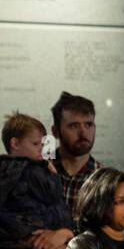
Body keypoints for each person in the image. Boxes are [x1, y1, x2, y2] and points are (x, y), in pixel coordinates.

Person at [0, 112, 73, 249]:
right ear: (15, 143)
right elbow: (56, 210)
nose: (41, 151)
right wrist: (39, 239)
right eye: (35, 144)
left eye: (43, 145)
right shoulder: (39, 173)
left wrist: (60, 234)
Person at [49, 92, 100, 222]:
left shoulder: (103, 180)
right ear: (55, 132)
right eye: (74, 126)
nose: (83, 133)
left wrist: (67, 235)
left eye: (88, 125)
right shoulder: (41, 171)